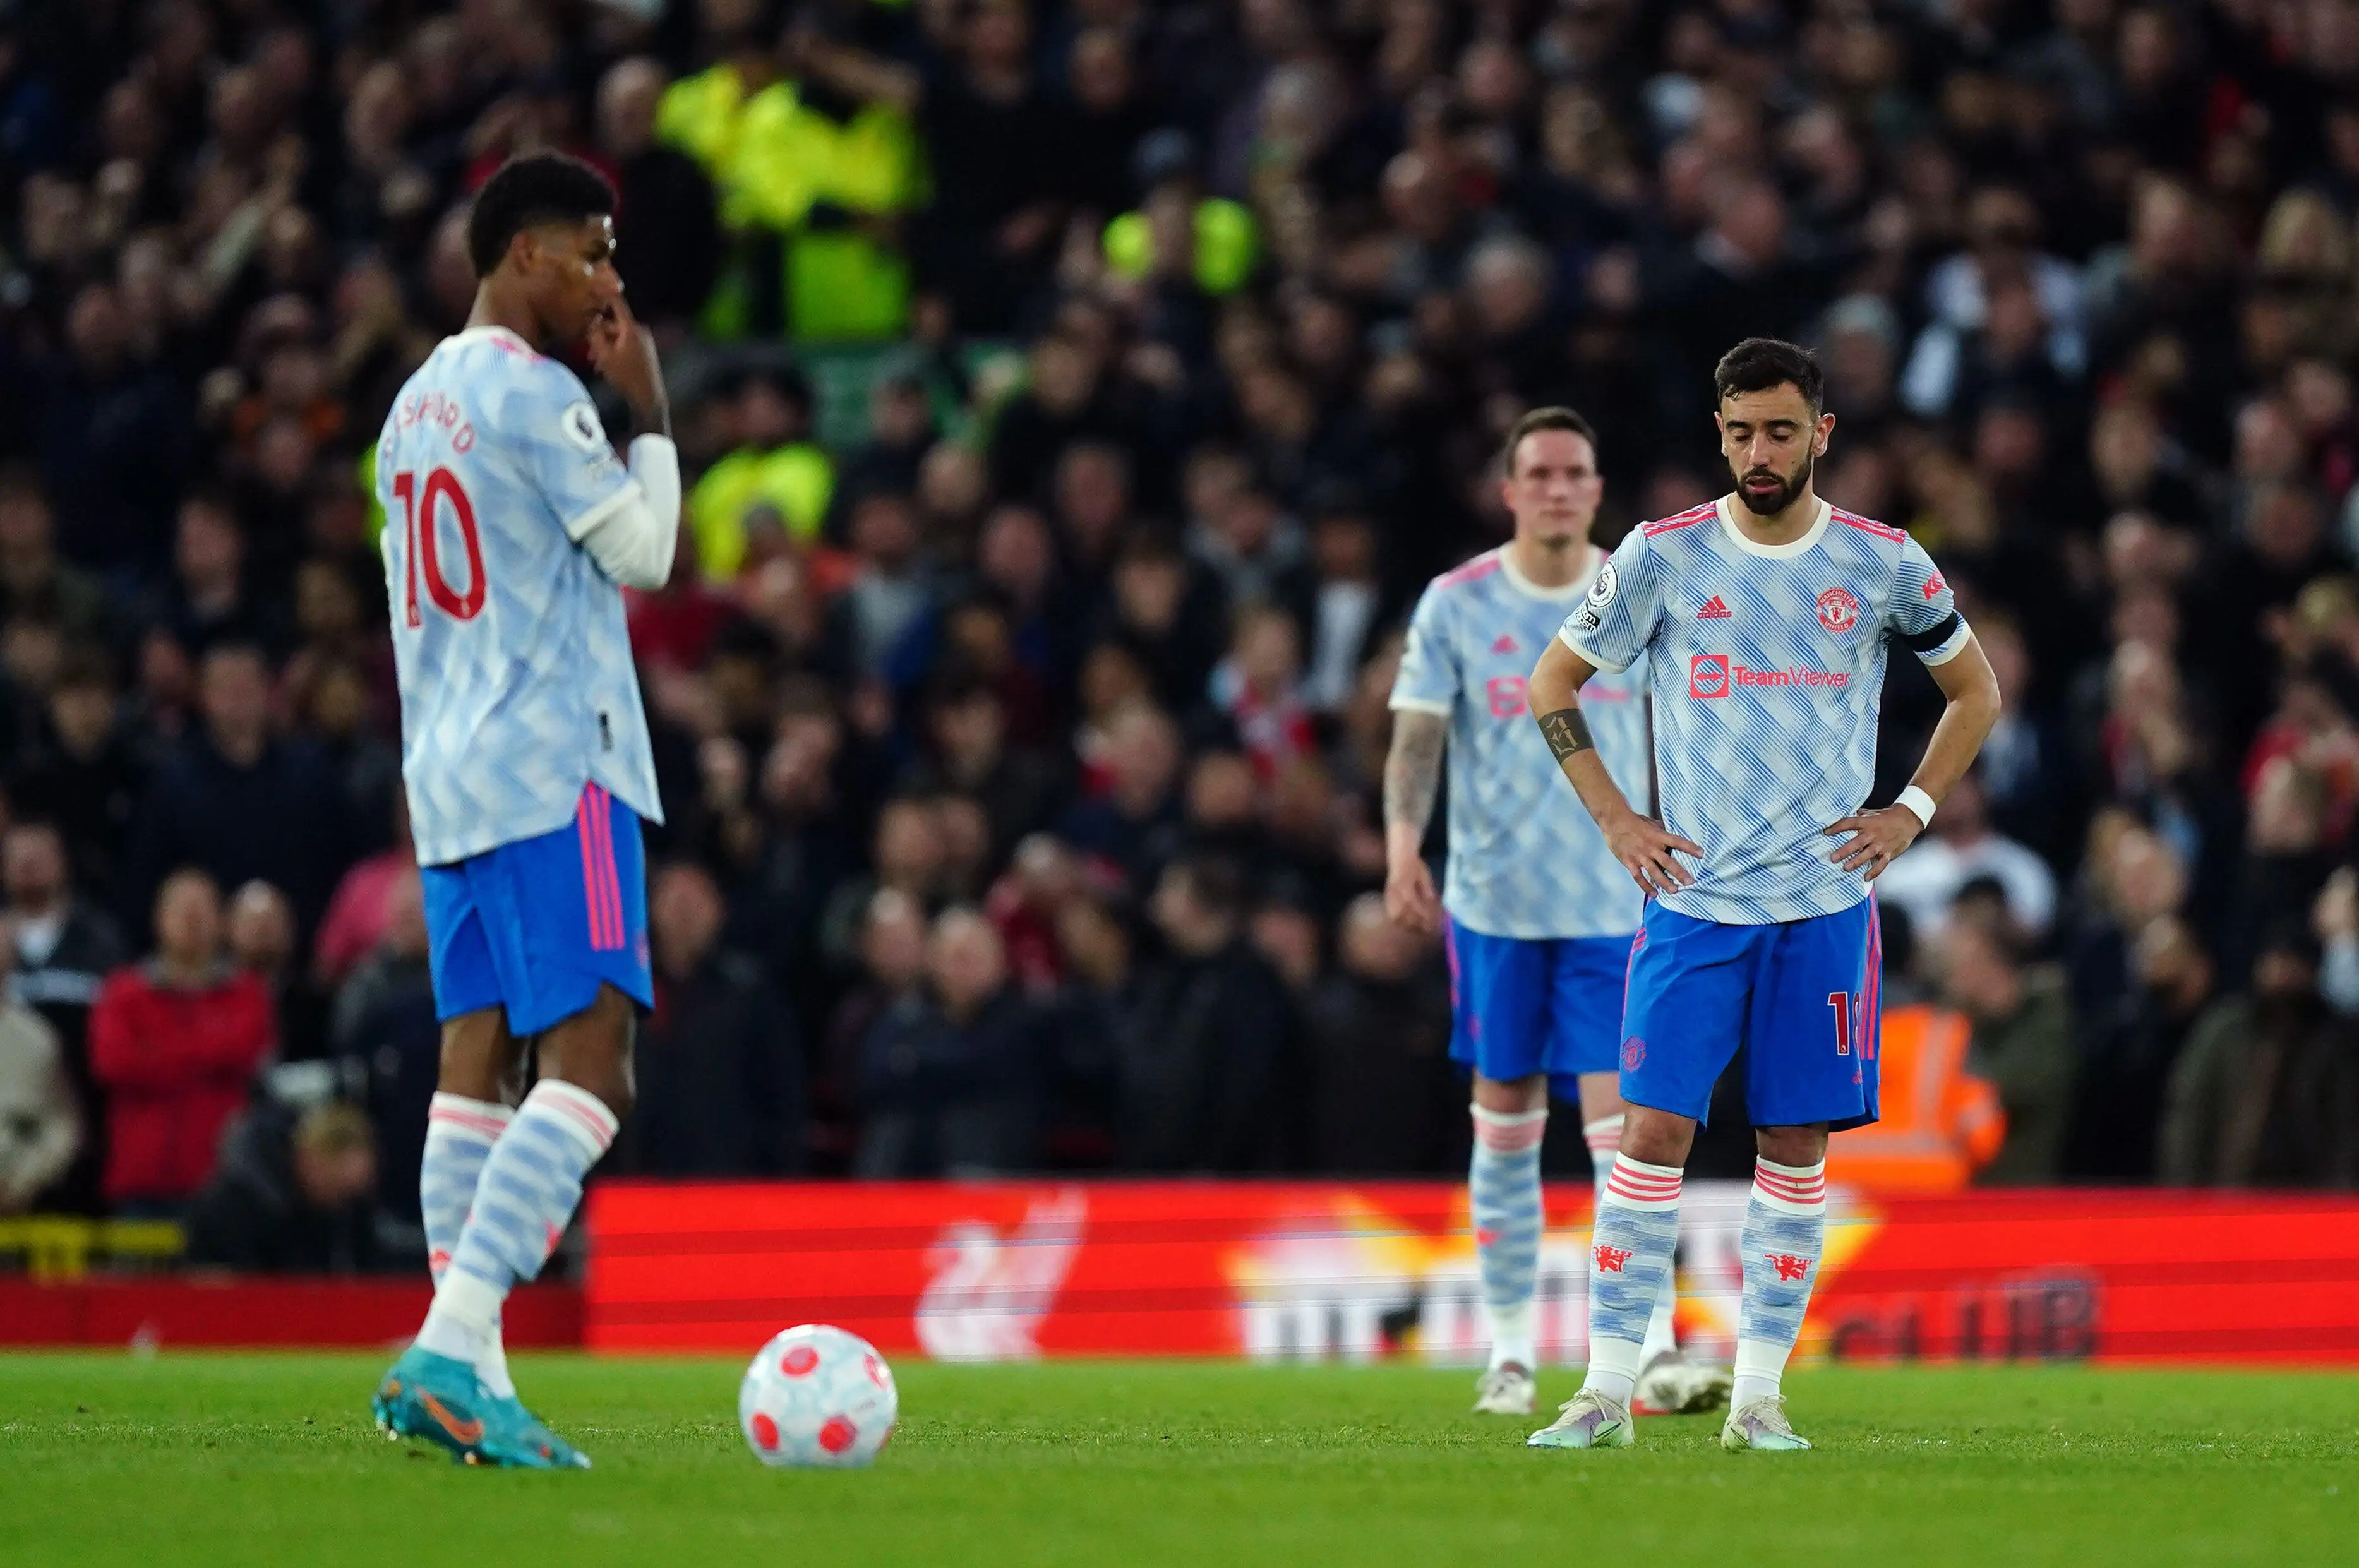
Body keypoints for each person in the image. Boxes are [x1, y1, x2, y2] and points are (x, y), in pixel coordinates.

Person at [1525, 339, 2000, 1452]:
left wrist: (1909, 810)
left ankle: (1757, 1400)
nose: (1758, 452)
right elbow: (1553, 680)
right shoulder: (1663, 554)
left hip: (1823, 907)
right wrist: (1616, 818)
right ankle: (1604, 1391)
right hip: (1693, 903)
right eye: (1739, 431)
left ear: (1820, 433)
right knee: (1650, 1131)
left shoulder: (1883, 561)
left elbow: (1973, 690)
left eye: (1780, 431)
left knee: (1793, 1144)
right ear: (1719, 431)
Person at [369, 152, 680, 1470]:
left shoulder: (410, 409)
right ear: (522, 254)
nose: (609, 280)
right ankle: (451, 1346)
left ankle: (470, 1379)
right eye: (591, 252)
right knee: (592, 1067)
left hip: (449, 775)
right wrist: (648, 411)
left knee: (476, 1066)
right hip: (559, 762)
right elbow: (646, 553)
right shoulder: (538, 392)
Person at [1383, 405, 1724, 1420]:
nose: (1556, 488)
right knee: (1503, 1130)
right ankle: (1507, 1353)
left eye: (1574, 472)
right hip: (1493, 907)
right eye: (1537, 472)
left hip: (1612, 906)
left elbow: (1691, 722)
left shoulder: (1637, 587)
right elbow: (1416, 737)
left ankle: (1648, 1348)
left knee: (1625, 1135)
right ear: (1508, 490)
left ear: (1596, 488)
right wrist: (1402, 847)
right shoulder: (1455, 602)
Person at [87, 868, 276, 1216]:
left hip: (223, 1179)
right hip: (141, 1180)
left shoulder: (247, 993)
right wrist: (207, 1051)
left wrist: (155, 1052)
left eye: (202, 910)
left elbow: (246, 1053)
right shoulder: (122, 993)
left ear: (222, 921)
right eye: (181, 910)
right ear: (158, 919)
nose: (191, 920)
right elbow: (113, 1064)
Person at [184, 1099, 390, 1272]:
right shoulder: (233, 1208)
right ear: (309, 1159)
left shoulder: (350, 1210)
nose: (343, 1202)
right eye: (338, 1188)